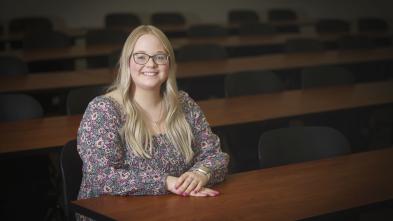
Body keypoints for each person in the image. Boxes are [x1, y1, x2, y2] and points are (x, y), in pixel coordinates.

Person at [77, 25, 229, 208]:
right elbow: (101, 177)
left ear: (169, 63)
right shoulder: (103, 110)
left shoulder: (184, 103)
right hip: (112, 211)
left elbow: (215, 155)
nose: (150, 64)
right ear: (127, 62)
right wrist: (166, 182)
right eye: (140, 57)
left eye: (159, 57)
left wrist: (201, 174)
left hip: (173, 207)